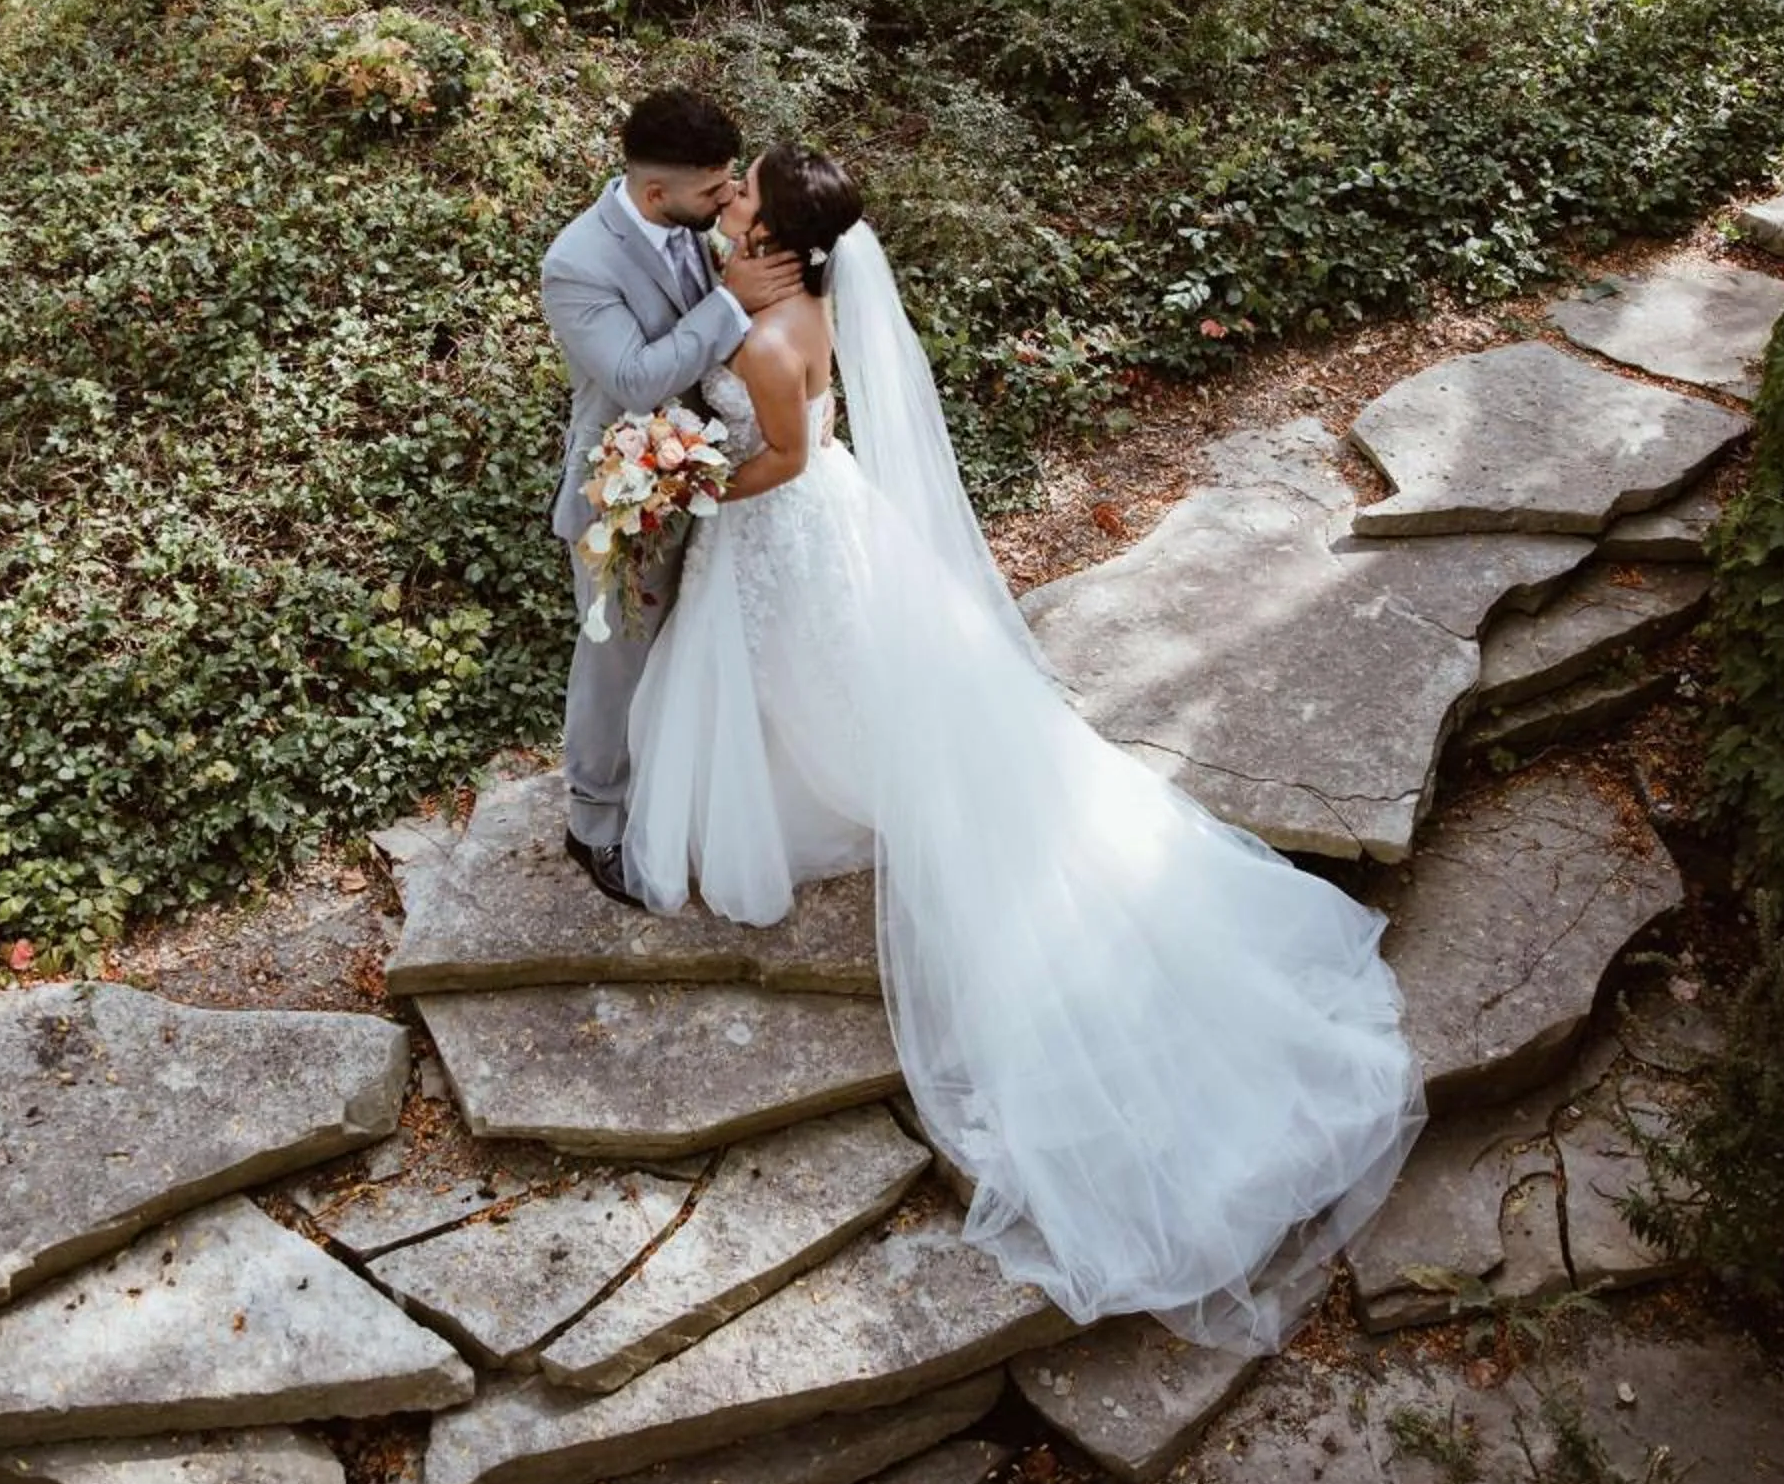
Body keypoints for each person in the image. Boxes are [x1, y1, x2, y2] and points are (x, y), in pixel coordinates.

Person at [622, 143, 1426, 1352]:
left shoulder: (772, 335)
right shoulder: (788, 300)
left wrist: (682, 489)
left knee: (831, 692)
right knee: (817, 684)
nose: (728, 192)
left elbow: (779, 457)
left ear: (777, 234)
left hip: (784, 520)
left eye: (745, 190)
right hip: (821, 522)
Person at [538, 89, 802, 908]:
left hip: (710, 485)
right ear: (657, 193)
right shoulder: (578, 263)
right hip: (626, 498)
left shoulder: (699, 226)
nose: (728, 197)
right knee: (616, 662)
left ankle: (673, 795)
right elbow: (634, 377)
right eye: (714, 188)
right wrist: (730, 302)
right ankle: (594, 823)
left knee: (689, 655)